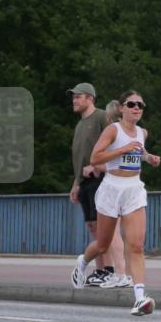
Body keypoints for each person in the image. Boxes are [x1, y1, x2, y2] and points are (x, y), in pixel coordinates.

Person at [71, 91, 160, 315]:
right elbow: (95, 158)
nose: (137, 108)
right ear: (121, 108)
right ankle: (83, 262)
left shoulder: (142, 132)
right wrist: (122, 149)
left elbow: (140, 152)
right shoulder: (113, 130)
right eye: (131, 104)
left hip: (133, 189)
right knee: (103, 244)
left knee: (136, 245)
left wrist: (150, 158)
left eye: (140, 104)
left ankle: (140, 298)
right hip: (111, 188)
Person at [68, 83, 118, 286]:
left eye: (78, 97)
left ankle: (109, 269)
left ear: (90, 98)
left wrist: (100, 165)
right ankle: (100, 270)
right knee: (92, 226)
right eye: (73, 97)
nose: (74, 100)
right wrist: (76, 184)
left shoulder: (100, 117)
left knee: (102, 226)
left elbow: (115, 142)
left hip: (100, 178)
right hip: (84, 181)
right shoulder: (80, 124)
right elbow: (79, 158)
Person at [96, 100, 131, 289]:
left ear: (108, 116)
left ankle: (120, 272)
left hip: (114, 186)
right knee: (129, 235)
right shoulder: (134, 132)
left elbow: (106, 162)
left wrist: (93, 167)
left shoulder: (112, 132)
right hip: (131, 186)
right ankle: (125, 273)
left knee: (112, 233)